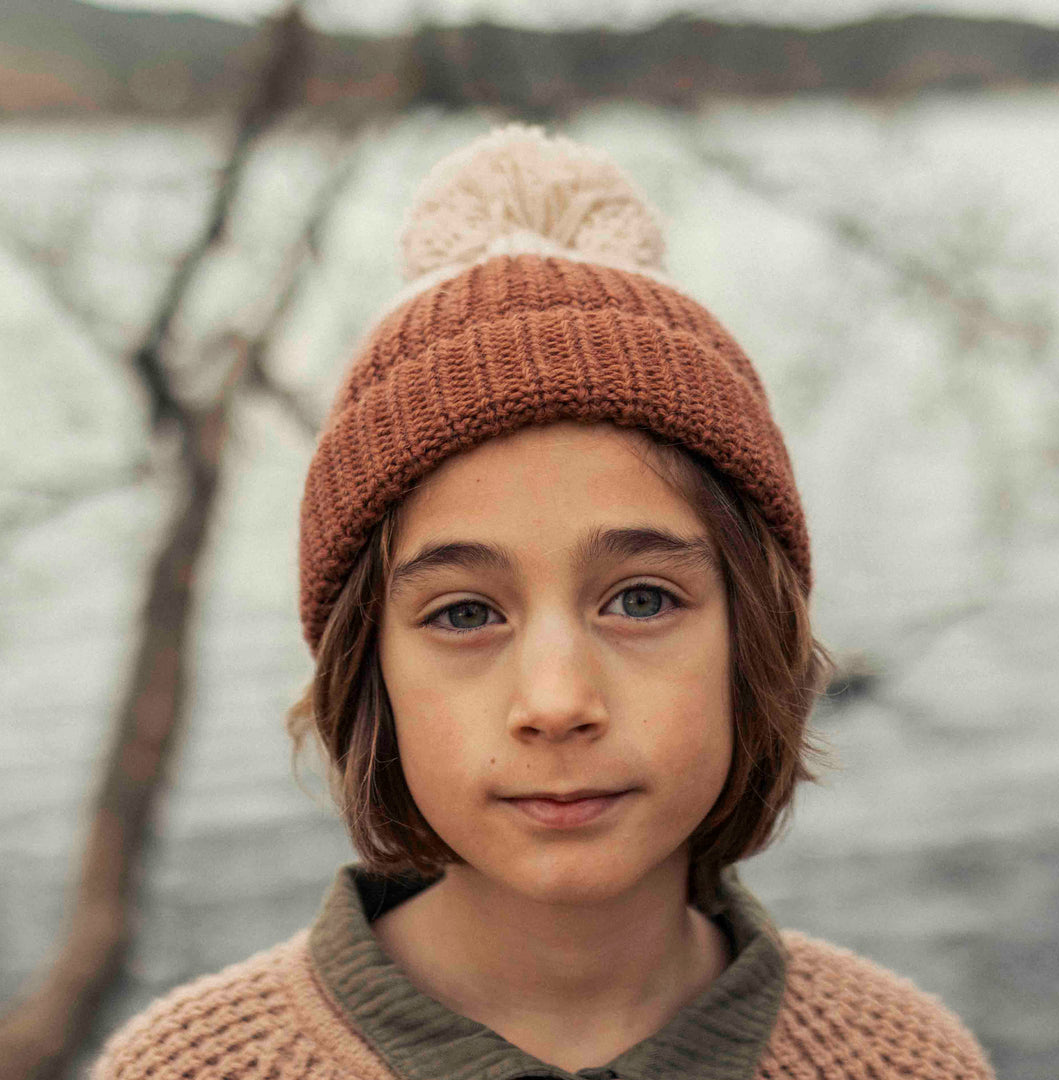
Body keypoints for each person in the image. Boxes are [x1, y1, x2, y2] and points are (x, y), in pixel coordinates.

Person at [91, 124, 996, 1080]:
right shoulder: (189, 1068)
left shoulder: (904, 1059)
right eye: (465, 614)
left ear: (754, 641)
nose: (557, 702)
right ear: (369, 670)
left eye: (641, 600)